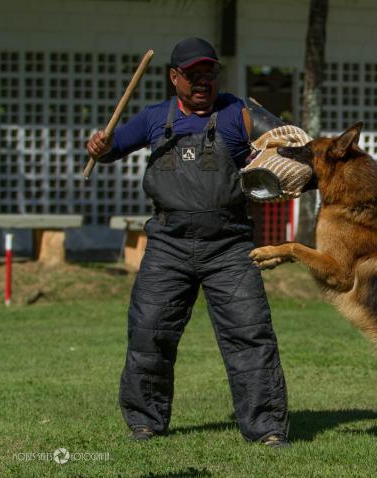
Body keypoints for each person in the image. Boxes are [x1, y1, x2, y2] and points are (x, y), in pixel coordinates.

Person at [87, 37, 289, 447]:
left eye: (208, 74)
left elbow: (292, 139)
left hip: (229, 248)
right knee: (149, 332)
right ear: (174, 77)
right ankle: (145, 422)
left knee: (251, 336)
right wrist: (99, 146)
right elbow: (110, 149)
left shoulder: (239, 113)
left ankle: (267, 428)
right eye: (193, 75)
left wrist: (280, 158)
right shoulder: (153, 118)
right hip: (168, 246)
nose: (202, 82)